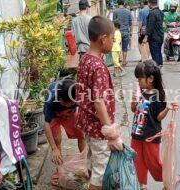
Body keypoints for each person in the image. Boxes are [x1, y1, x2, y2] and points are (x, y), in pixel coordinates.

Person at [76, 16, 122, 190]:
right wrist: (110, 131)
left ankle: (89, 182)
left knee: (94, 161)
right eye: (112, 39)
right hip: (98, 128)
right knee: (101, 173)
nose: (113, 42)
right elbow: (98, 101)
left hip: (87, 124)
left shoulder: (85, 59)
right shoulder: (98, 66)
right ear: (103, 39)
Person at [131, 60, 179, 190]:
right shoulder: (140, 92)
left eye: (140, 78)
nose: (138, 82)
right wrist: (133, 101)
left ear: (151, 78)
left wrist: (167, 108)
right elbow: (133, 109)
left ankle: (169, 179)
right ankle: (140, 185)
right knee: (137, 162)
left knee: (153, 163)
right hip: (136, 134)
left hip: (151, 136)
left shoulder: (158, 96)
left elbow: (158, 117)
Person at [43, 78, 86, 186]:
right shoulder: (51, 100)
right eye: (67, 103)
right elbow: (46, 124)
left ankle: (85, 165)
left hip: (72, 114)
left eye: (72, 102)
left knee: (81, 135)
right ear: (60, 99)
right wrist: (54, 148)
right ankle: (60, 171)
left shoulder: (78, 95)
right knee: (57, 141)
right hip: (55, 116)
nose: (71, 104)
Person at [144, 0, 164, 67]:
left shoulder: (152, 13)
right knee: (158, 52)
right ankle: (160, 66)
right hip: (160, 36)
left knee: (155, 54)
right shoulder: (161, 12)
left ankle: (157, 68)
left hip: (154, 37)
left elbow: (150, 26)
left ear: (150, 3)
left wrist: (146, 37)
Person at [113, 0, 133, 66]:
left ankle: (118, 60)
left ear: (118, 4)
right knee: (125, 48)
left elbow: (114, 23)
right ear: (124, 3)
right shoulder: (128, 11)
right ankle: (124, 61)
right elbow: (131, 23)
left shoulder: (115, 11)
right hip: (126, 32)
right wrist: (131, 32)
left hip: (118, 32)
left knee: (117, 46)